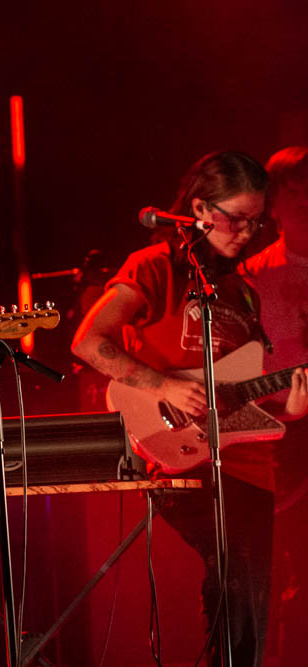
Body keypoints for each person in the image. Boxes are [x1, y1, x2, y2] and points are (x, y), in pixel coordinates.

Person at [71, 150, 307, 666]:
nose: (246, 232)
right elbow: (89, 341)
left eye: (256, 221)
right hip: (174, 452)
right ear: (199, 209)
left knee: (251, 610)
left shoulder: (243, 290)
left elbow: (240, 392)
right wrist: (165, 386)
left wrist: (290, 407)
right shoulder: (154, 266)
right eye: (236, 218)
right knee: (226, 586)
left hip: (249, 467)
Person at [243, 146, 308, 658]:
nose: (304, 200)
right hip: (282, 427)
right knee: (287, 565)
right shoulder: (251, 274)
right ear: (274, 202)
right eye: (292, 190)